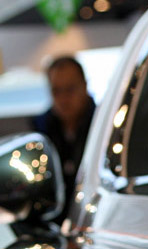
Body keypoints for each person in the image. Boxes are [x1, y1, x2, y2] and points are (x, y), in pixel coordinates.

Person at [33, 55, 96, 221]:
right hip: (57, 225)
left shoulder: (105, 125)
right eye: (56, 91)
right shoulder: (39, 132)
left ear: (85, 85)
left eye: (70, 89)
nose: (63, 99)